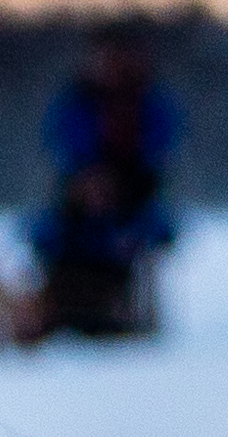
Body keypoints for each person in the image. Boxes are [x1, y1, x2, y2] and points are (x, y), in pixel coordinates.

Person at [27, 27, 179, 339]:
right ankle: (57, 307)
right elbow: (63, 150)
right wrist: (88, 184)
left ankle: (120, 307)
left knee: (133, 237)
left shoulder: (151, 104)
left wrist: (122, 186)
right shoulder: (75, 104)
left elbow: (160, 153)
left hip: (134, 198)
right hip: (78, 203)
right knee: (53, 238)